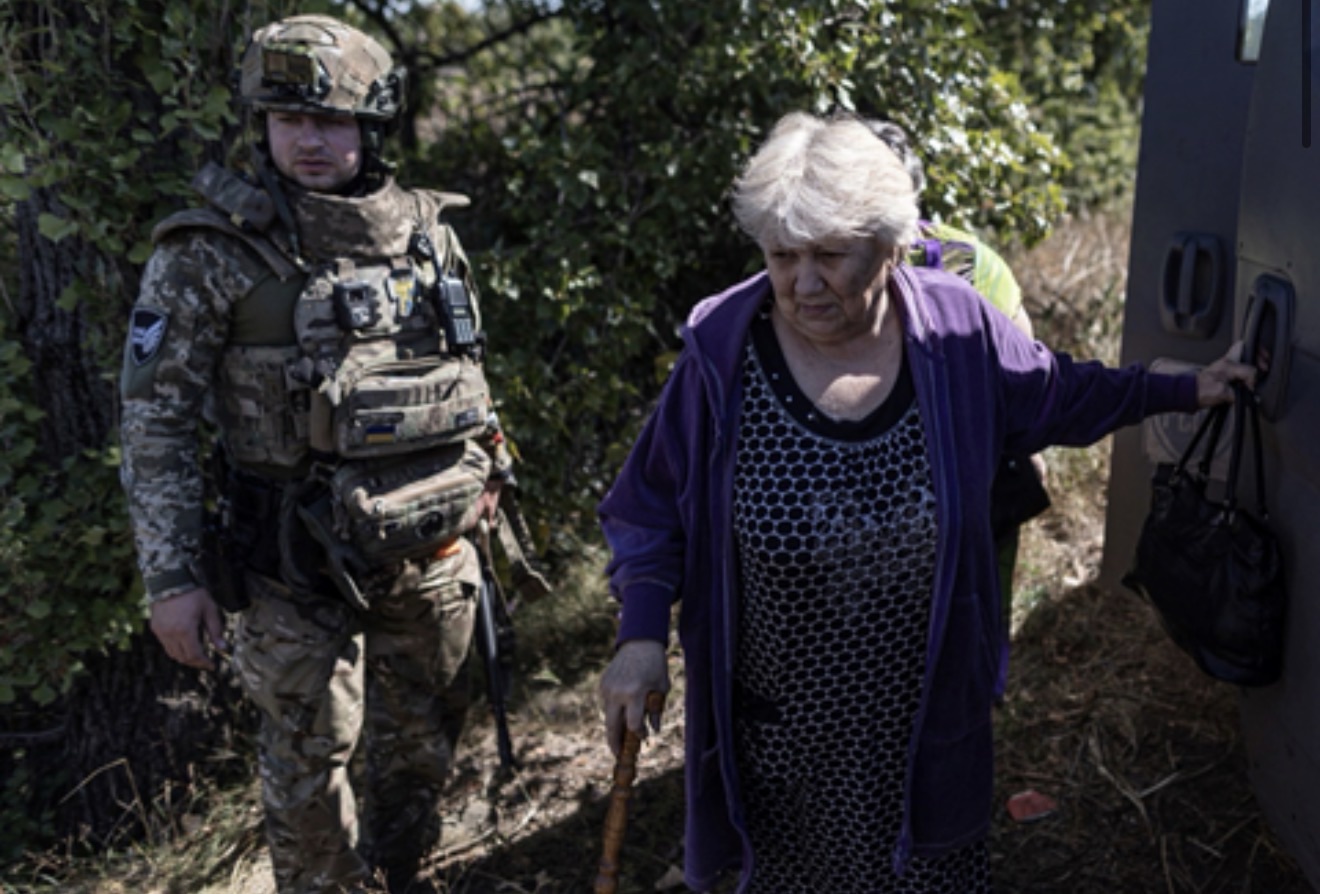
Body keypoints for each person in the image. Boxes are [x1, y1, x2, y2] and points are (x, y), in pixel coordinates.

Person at [596, 111, 1256, 894]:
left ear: (891, 241)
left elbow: (1059, 393)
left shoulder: (956, 333)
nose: (803, 283)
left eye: (830, 255)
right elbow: (649, 506)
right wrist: (640, 635)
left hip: (924, 724)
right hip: (776, 733)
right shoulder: (722, 356)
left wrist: (1185, 388)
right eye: (782, 256)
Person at [119, 15, 513, 894]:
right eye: (287, 119)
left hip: (430, 545)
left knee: (422, 746)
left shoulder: (427, 233)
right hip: (291, 563)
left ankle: (403, 873)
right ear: (258, 123)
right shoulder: (210, 253)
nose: (308, 140)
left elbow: (469, 371)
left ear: (370, 125)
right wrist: (173, 579)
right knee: (307, 769)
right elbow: (155, 425)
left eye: (331, 120)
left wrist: (489, 470)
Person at [868, 118, 1049, 637]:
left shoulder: (974, 268)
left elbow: (1027, 387)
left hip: (955, 498)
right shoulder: (971, 262)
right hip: (965, 498)